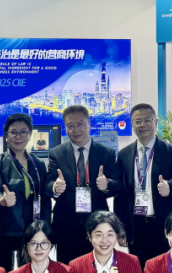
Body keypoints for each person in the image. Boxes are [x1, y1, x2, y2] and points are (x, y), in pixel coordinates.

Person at [113, 103, 172, 272]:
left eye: (147, 120)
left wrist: (169, 186)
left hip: (163, 223)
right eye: (138, 121)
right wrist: (120, 227)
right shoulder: (124, 154)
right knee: (139, 271)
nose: (142, 125)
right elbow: (121, 194)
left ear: (156, 122)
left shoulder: (170, 151)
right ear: (132, 125)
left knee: (164, 271)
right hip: (136, 225)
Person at [46, 106, 120, 264]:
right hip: (66, 223)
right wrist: (55, 187)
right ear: (66, 129)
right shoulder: (56, 153)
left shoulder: (106, 153)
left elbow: (118, 184)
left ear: (89, 124)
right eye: (70, 126)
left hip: (98, 224)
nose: (76, 130)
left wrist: (107, 184)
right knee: (67, 269)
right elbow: (48, 183)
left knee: (97, 268)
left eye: (80, 124)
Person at [0, 113, 51, 271]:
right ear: (6, 136)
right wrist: (2, 200)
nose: (18, 136)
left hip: (32, 229)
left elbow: (45, 199)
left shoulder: (38, 164)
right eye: (13, 132)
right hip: (5, 228)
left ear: (29, 135)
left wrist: (46, 227)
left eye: (23, 132)